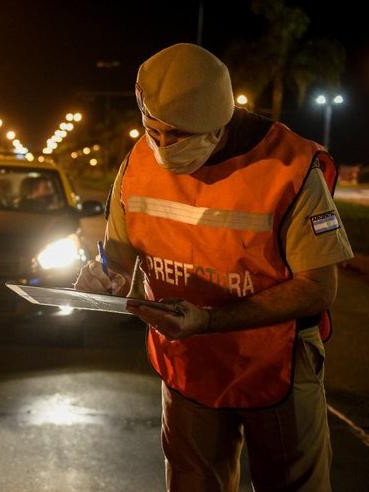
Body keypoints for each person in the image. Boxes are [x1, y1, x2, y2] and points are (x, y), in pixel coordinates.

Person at [74, 43, 353, 491]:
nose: (163, 148)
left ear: (217, 126)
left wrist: (210, 320)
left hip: (273, 363)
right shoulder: (137, 163)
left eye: (177, 136)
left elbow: (319, 287)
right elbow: (121, 250)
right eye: (153, 131)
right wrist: (107, 273)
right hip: (187, 364)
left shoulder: (290, 167)